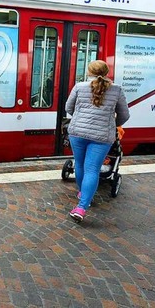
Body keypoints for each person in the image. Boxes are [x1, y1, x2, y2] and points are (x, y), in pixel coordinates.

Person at [65, 60, 130, 222]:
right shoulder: (117, 89)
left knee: (79, 165)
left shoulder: (79, 87)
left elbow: (68, 108)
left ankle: (83, 192)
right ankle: (81, 207)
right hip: (102, 136)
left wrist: (80, 119)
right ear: (106, 72)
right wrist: (112, 124)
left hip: (78, 133)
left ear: (89, 72)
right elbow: (124, 115)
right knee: (92, 170)